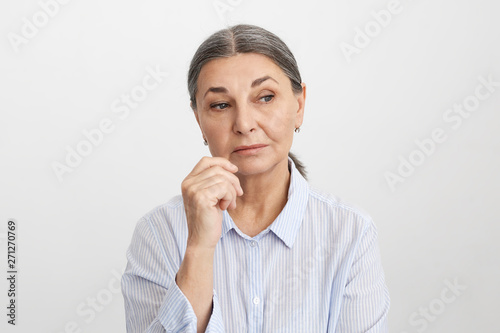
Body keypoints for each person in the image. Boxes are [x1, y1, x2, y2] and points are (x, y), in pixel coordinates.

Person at [121, 24, 390, 332]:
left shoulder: (351, 233)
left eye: (264, 97)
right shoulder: (158, 234)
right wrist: (198, 248)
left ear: (299, 105)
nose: (244, 124)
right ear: (199, 120)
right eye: (221, 105)